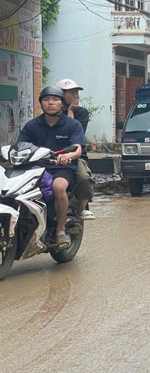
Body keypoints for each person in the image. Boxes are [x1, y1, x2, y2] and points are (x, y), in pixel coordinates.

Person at [17, 86, 85, 249]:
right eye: (46, 100)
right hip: (37, 167)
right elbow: (20, 146)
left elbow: (78, 148)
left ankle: (60, 230)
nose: (50, 103)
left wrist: (67, 156)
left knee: (58, 187)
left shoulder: (72, 124)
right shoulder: (32, 126)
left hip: (62, 168)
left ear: (62, 104)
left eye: (55, 100)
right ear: (41, 103)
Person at [56, 78, 95, 220]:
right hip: (53, 155)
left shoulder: (81, 113)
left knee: (83, 177)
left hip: (76, 155)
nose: (76, 96)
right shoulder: (53, 113)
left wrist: (71, 110)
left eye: (76, 93)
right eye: (71, 92)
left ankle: (82, 209)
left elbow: (76, 135)